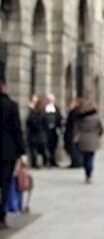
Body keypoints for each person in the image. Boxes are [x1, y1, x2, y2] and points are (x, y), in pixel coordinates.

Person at [1, 75, 25, 230]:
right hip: (7, 151)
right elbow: (17, 130)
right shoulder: (11, 105)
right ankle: (1, 216)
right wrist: (22, 152)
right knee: (5, 184)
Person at [75, 101, 104, 184]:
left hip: (83, 139)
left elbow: (77, 128)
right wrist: (98, 135)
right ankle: (89, 175)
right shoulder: (97, 118)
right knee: (90, 158)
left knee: (85, 158)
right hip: (93, 139)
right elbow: (102, 128)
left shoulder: (81, 117)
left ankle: (86, 173)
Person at [25, 98, 49, 169]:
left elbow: (28, 123)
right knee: (43, 149)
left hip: (33, 134)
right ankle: (46, 162)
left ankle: (34, 163)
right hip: (41, 134)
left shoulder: (32, 113)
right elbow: (46, 125)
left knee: (34, 150)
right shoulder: (43, 114)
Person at [43, 93, 62, 167]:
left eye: (52, 100)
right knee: (46, 146)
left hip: (54, 130)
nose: (50, 101)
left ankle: (53, 160)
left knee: (54, 146)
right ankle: (47, 161)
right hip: (46, 131)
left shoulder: (56, 109)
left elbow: (59, 118)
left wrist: (59, 127)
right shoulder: (44, 109)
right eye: (49, 100)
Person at [64, 97, 83, 168]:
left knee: (72, 148)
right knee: (71, 148)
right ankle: (75, 162)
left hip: (72, 132)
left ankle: (76, 162)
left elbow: (74, 123)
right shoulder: (76, 111)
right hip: (71, 132)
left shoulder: (75, 112)